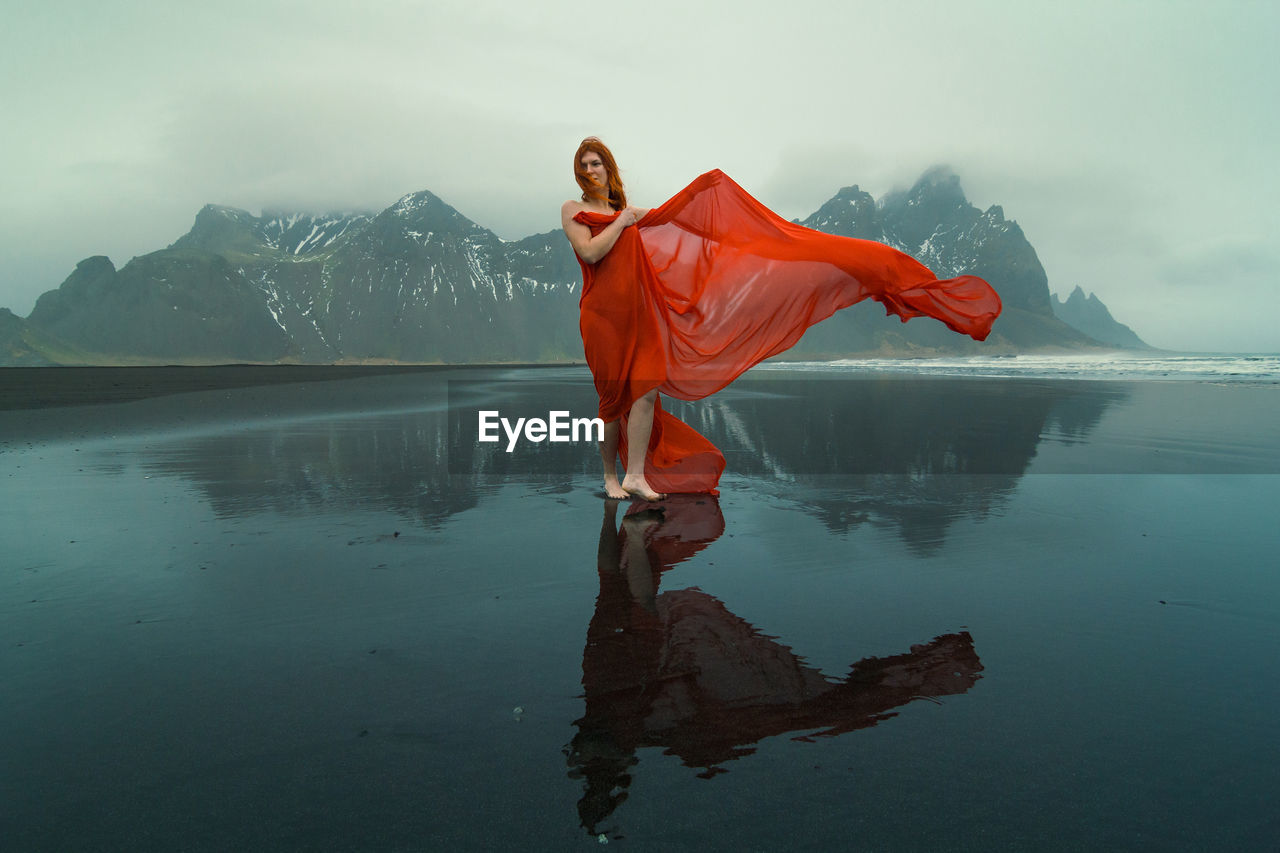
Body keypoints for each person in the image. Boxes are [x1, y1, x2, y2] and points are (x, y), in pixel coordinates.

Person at [561, 137, 1001, 501]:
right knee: (613, 402)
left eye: (597, 162)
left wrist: (703, 202)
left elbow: (670, 226)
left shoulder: (629, 212)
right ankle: (609, 478)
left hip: (640, 314)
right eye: (585, 165)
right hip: (602, 317)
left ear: (608, 167)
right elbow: (590, 252)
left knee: (647, 390)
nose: (592, 170)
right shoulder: (576, 210)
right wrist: (621, 222)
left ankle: (636, 475)